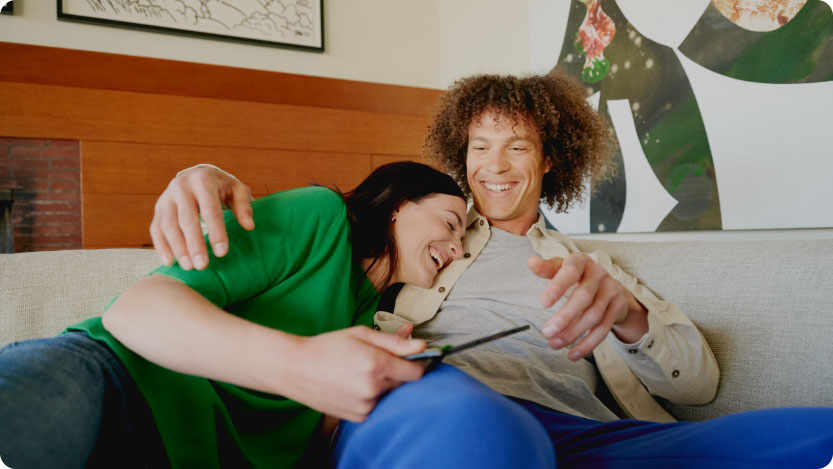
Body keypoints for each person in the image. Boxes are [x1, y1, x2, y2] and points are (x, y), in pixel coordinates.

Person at [148, 73, 833, 467]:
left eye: (516, 146)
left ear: (550, 161)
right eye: (478, 146)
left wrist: (623, 310)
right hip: (436, 399)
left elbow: (698, 376)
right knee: (478, 435)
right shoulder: (426, 228)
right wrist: (198, 170)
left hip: (591, 433)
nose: (494, 164)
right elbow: (309, 241)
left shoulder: (586, 264)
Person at [0, 162, 473, 468]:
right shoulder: (324, 216)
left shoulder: (370, 323)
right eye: (450, 224)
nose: (456, 247)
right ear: (396, 206)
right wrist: (301, 364)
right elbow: (136, 310)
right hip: (118, 382)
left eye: (464, 241)